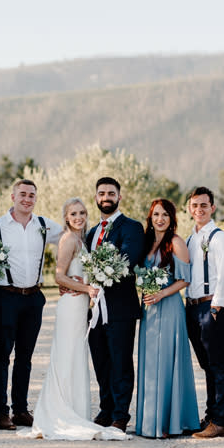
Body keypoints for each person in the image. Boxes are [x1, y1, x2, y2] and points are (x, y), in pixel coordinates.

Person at [20, 198, 128, 440]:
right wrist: (87, 289)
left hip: (81, 308)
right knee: (66, 357)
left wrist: (87, 285)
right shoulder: (68, 239)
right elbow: (59, 276)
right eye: (73, 214)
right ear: (66, 218)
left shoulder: (83, 240)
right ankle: (60, 414)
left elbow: (75, 274)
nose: (78, 217)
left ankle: (75, 411)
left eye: (82, 213)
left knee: (76, 357)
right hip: (70, 306)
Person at [0, 179, 63, 430]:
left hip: (34, 298)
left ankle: (20, 409)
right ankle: (0, 411)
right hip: (5, 296)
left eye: (31, 195)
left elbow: (71, 235)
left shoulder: (45, 225)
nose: (27, 199)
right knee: (2, 355)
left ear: (36, 199)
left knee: (25, 357)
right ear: (13, 197)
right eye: (23, 194)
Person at [135, 198, 200, 438]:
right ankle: (150, 422)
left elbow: (185, 280)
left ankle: (169, 423)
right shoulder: (146, 243)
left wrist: (161, 293)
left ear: (172, 218)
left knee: (167, 361)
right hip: (149, 310)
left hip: (170, 307)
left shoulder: (176, 242)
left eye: (165, 215)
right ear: (150, 218)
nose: (160, 219)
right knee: (151, 362)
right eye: (156, 214)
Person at [86, 177, 145, 433]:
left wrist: (101, 273)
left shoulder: (132, 227)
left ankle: (121, 414)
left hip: (120, 308)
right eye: (102, 193)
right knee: (101, 361)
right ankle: (106, 409)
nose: (106, 197)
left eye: (111, 193)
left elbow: (127, 261)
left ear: (119, 197)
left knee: (120, 362)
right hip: (94, 309)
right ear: (96, 198)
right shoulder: (92, 232)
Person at [184, 187, 224, 439]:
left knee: (218, 364)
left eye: (204, 205)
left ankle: (222, 421)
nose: (199, 210)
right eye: (195, 205)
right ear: (189, 208)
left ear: (212, 207)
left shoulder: (218, 238)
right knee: (206, 365)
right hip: (192, 307)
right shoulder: (190, 239)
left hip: (211, 307)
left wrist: (216, 305)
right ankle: (211, 415)